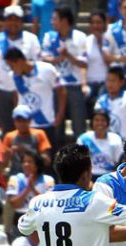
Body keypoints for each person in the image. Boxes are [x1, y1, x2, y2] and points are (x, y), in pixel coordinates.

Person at [0, 5, 42, 136]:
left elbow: (37, 63)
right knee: (6, 128)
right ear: (5, 21)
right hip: (2, 91)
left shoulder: (31, 39)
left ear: (22, 22)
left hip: (25, 90)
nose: (13, 23)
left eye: (16, 19)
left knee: (27, 127)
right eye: (9, 19)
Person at [3, 47, 66, 154]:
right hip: (26, 125)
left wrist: (60, 114)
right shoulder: (12, 76)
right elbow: (16, 96)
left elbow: (61, 91)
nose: (11, 69)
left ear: (19, 61)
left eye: (12, 66)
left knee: (48, 158)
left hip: (46, 122)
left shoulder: (47, 69)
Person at [41, 5, 89, 143]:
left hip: (74, 86)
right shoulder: (49, 37)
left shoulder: (80, 37)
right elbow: (43, 58)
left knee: (79, 125)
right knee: (57, 126)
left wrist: (68, 56)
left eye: (54, 19)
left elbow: (84, 63)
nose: (51, 22)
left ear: (64, 20)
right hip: (56, 87)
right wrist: (57, 59)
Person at [6, 150, 56, 233]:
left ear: (37, 164)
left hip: (42, 219)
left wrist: (34, 189)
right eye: (24, 162)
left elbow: (50, 204)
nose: (26, 164)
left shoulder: (48, 180)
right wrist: (27, 189)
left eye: (30, 162)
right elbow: (14, 204)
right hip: (21, 218)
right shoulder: (15, 179)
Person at [2, 105, 53, 176]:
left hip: (36, 175)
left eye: (24, 120)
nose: (22, 124)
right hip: (15, 174)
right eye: (19, 121)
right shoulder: (9, 136)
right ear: (14, 121)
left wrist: (26, 151)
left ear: (30, 120)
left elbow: (47, 161)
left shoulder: (39, 134)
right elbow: (3, 165)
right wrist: (7, 155)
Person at [94, 66, 126, 141]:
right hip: (107, 143)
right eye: (108, 80)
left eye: (113, 81)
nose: (110, 84)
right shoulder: (101, 100)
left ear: (122, 82)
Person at [76, 109, 124, 179]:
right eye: (96, 120)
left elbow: (119, 162)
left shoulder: (116, 139)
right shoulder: (83, 139)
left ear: (107, 122)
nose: (99, 123)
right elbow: (79, 164)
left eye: (103, 120)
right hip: (89, 177)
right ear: (92, 122)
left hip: (110, 176)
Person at [84, 10, 110, 120]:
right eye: (93, 23)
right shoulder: (86, 41)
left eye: (99, 22)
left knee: (100, 103)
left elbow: (109, 62)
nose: (96, 26)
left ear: (104, 24)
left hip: (105, 82)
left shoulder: (110, 39)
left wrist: (100, 44)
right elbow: (83, 64)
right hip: (90, 82)